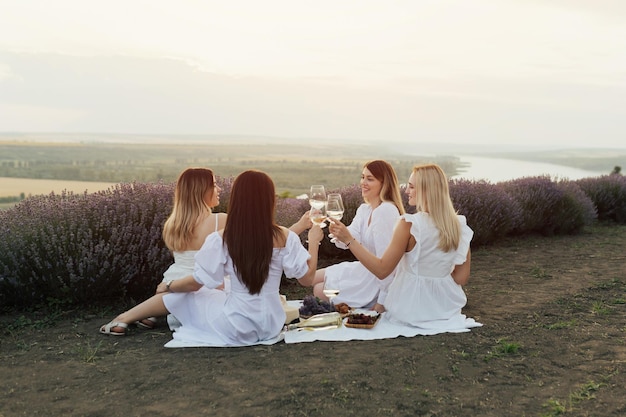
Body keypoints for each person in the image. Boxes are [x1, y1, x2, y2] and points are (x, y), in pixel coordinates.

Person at [100, 169, 324, 347]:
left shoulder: (222, 238)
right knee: (202, 292)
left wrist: (168, 285)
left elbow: (199, 282)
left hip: (238, 326)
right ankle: (141, 316)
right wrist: (313, 241)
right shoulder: (286, 236)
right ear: (269, 199)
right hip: (272, 325)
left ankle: (127, 317)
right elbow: (307, 279)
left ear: (237, 198)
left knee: (189, 293)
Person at [329, 163, 477, 331]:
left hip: (410, 309)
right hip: (447, 308)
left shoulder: (409, 224)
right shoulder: (460, 225)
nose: (407, 191)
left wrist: (349, 240)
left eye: (412, 187)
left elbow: (382, 270)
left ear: (426, 190)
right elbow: (461, 278)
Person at [311, 160, 405, 312]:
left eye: (370, 179)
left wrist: (382, 301)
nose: (363, 183)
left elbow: (389, 267)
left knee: (318, 289)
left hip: (378, 280)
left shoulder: (386, 211)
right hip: (364, 270)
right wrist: (337, 230)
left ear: (384, 183)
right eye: (362, 177)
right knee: (311, 278)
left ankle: (365, 302)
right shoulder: (365, 209)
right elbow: (349, 238)